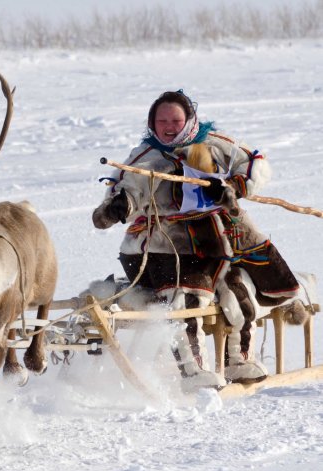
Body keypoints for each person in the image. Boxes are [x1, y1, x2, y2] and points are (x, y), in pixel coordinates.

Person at [93, 90, 299, 391]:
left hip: (220, 239)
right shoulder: (143, 158)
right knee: (186, 295)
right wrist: (120, 206)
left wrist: (232, 186)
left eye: (175, 119)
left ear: (189, 119)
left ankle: (239, 360)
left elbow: (255, 164)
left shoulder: (215, 143)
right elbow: (125, 191)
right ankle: (193, 372)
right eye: (161, 120)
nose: (168, 126)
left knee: (236, 289)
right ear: (152, 123)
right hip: (163, 245)